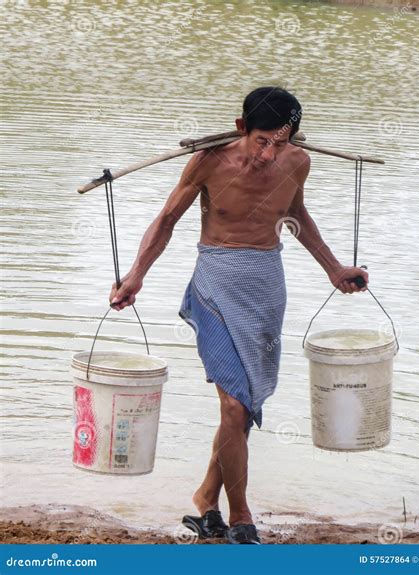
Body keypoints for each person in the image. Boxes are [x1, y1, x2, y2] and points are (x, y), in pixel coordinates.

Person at [109, 86, 369, 544]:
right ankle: (242, 516)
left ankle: (206, 500)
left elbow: (296, 216)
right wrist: (135, 276)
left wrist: (334, 269)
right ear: (241, 128)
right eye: (261, 141)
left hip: (266, 286)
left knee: (242, 410)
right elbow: (167, 219)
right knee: (232, 403)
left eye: (280, 143)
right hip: (215, 283)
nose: (269, 154)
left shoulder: (297, 163)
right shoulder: (209, 161)